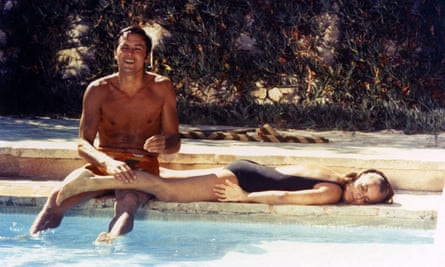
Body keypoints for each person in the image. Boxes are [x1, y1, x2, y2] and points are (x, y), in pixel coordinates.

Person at [29, 25, 181, 242]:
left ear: (147, 56)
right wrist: (108, 163)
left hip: (142, 165)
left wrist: (165, 144)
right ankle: (32, 244)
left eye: (137, 49)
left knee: (127, 203)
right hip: (103, 164)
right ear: (115, 52)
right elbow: (83, 144)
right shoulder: (97, 89)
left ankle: (109, 244)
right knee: (57, 197)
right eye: (125, 48)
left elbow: (175, 140)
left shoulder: (161, 88)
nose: (130, 54)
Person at [56, 159, 394, 212]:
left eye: (367, 199)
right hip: (240, 181)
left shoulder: (334, 174)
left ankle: (98, 181)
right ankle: (94, 180)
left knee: (167, 179)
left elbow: (285, 173)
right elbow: (286, 196)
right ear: (361, 176)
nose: (360, 195)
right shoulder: (333, 191)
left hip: (247, 169)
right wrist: (243, 198)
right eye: (365, 187)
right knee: (166, 190)